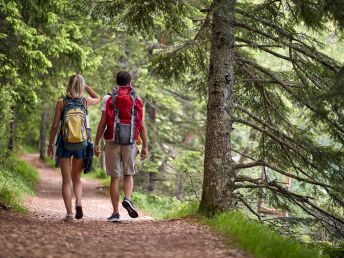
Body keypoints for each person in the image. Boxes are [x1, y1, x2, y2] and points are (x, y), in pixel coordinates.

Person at [94, 71, 148, 222]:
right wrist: (144, 146)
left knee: (114, 178)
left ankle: (115, 213)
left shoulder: (108, 98)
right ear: (129, 83)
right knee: (128, 174)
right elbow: (142, 126)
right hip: (130, 141)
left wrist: (96, 142)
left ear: (117, 82)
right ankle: (128, 198)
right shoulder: (136, 99)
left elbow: (103, 122)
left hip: (111, 141)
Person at [47, 74, 99, 222]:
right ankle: (79, 203)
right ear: (81, 86)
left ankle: (69, 214)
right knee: (76, 178)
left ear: (69, 85)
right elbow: (98, 98)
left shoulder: (61, 102)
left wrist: (50, 145)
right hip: (81, 144)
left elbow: (55, 126)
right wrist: (86, 86)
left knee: (66, 180)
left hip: (64, 143)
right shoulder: (85, 101)